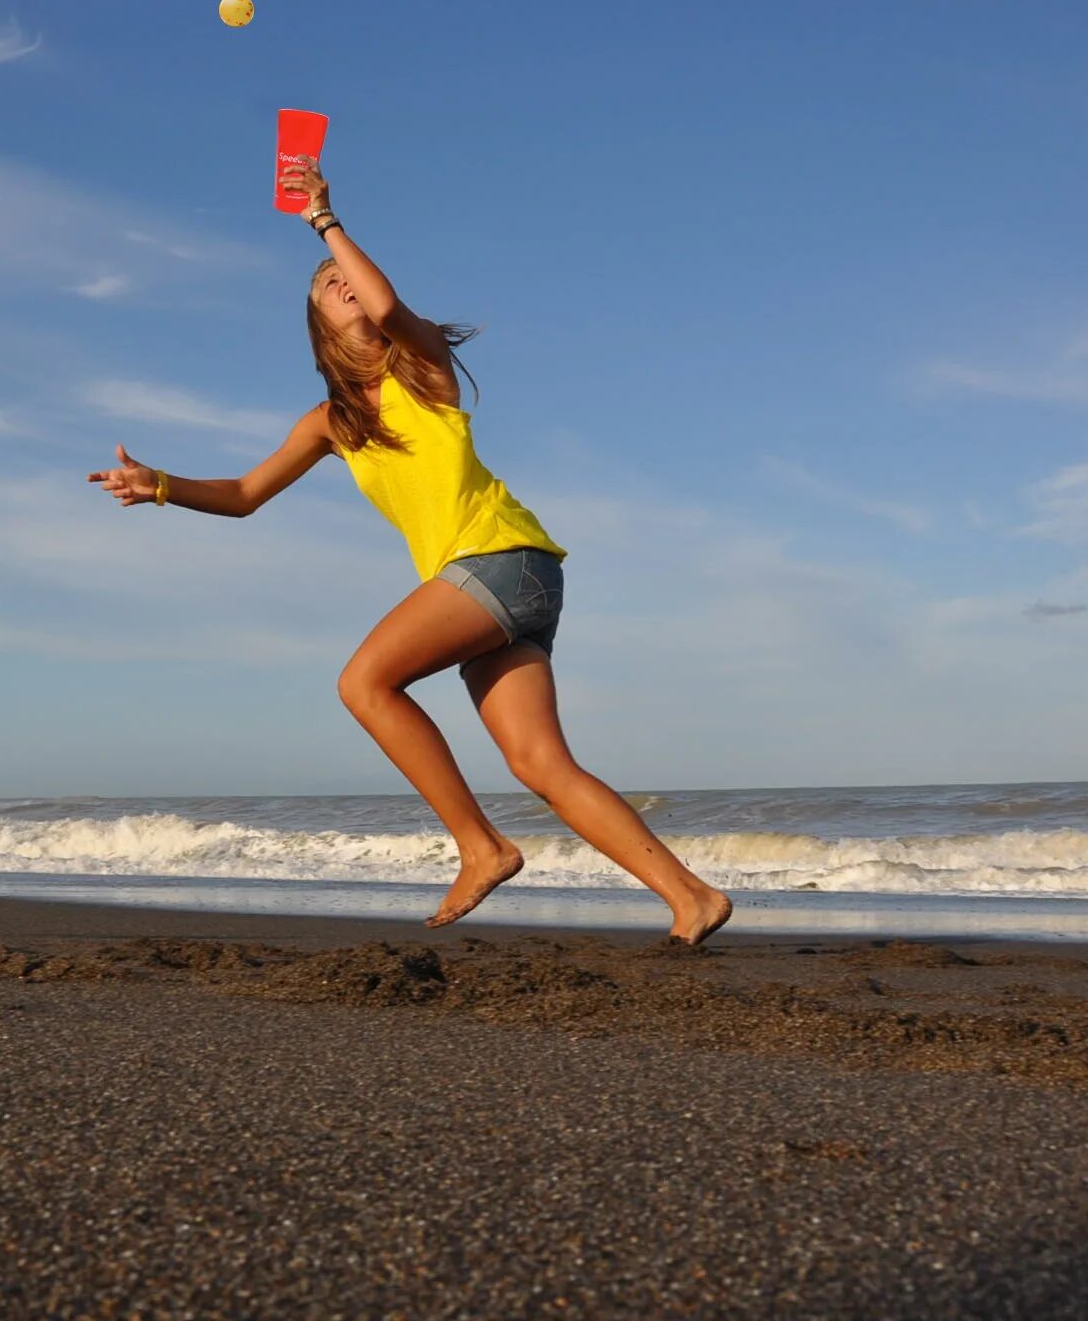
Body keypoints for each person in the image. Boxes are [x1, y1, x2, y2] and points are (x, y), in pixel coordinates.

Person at [87, 156, 733, 945]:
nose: (344, 283)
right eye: (327, 284)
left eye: (348, 274)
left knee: (364, 682)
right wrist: (159, 485)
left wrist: (324, 220)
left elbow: (387, 301)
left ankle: (482, 846)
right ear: (318, 324)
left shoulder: (420, 366)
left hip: (497, 561)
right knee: (539, 764)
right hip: (513, 582)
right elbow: (245, 497)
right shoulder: (330, 423)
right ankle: (691, 897)